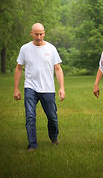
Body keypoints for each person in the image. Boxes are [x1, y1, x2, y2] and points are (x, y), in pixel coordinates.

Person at [14, 23, 65, 151]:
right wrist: (16, 88)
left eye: (41, 34)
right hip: (30, 87)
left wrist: (61, 87)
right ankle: (32, 144)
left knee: (52, 117)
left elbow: (58, 69)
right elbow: (19, 68)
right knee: (30, 116)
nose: (39, 37)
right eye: (36, 34)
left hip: (47, 88)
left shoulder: (51, 48)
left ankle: (53, 137)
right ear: (31, 33)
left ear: (44, 33)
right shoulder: (25, 49)